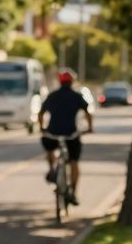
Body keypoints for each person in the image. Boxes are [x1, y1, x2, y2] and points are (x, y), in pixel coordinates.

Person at [38, 68, 93, 205]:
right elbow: (88, 113)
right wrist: (90, 128)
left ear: (60, 81)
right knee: (74, 162)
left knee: (49, 148)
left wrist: (41, 127)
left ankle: (51, 170)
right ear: (72, 82)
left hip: (52, 134)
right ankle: (73, 193)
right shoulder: (77, 96)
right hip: (71, 135)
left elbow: (40, 113)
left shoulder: (52, 96)